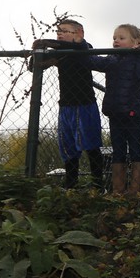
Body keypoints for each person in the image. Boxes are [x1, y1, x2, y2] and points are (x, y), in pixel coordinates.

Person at [31, 19, 104, 189]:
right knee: (68, 148)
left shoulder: (84, 47)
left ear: (79, 33)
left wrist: (48, 43)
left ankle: (98, 186)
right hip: (65, 106)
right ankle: (71, 186)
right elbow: (34, 66)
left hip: (85, 105)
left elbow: (80, 48)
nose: (60, 34)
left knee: (91, 146)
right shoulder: (59, 53)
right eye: (58, 31)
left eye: (64, 31)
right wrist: (38, 53)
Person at [90, 23, 140, 195]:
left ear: (136, 42)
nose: (116, 41)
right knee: (117, 151)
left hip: (134, 113)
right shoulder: (113, 59)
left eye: (121, 38)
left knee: (135, 150)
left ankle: (134, 191)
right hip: (115, 112)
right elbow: (93, 61)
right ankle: (118, 190)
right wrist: (84, 47)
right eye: (114, 38)